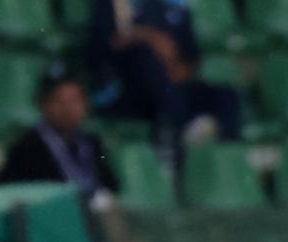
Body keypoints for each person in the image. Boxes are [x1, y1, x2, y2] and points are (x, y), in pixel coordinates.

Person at [87, 0, 241, 146]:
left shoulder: (161, 7)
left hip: (173, 84)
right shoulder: (109, 4)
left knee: (226, 96)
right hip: (132, 90)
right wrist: (149, 37)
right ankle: (180, 140)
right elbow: (105, 46)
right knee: (146, 58)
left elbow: (192, 57)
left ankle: (224, 154)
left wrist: (180, 70)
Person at [0, 66, 120, 211]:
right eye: (59, 101)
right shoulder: (27, 148)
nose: (68, 109)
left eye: (75, 100)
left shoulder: (93, 143)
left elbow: (111, 185)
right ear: (43, 104)